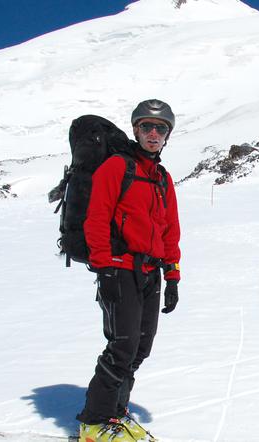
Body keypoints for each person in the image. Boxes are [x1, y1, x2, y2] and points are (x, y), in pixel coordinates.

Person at [77, 99, 181, 442]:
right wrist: (104, 269)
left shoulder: (162, 179)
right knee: (121, 347)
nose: (153, 133)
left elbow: (169, 231)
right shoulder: (117, 167)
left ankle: (115, 413)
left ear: (168, 135)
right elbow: (96, 219)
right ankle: (93, 423)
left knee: (140, 349)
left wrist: (173, 276)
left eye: (160, 128)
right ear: (135, 130)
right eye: (146, 126)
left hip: (150, 273)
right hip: (119, 269)